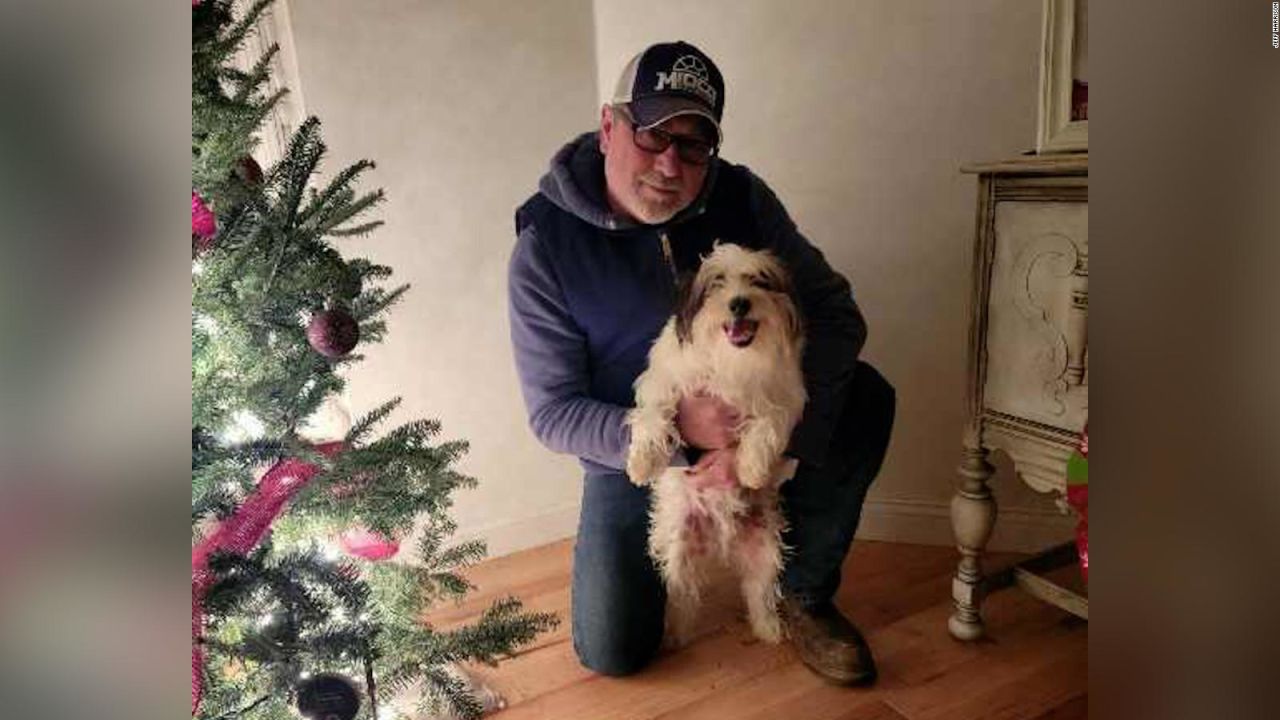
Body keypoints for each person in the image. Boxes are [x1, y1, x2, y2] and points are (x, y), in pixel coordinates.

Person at [507, 41, 895, 686]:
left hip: (765, 416)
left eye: (693, 145)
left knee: (867, 396)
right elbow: (552, 413)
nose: (670, 164)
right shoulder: (546, 246)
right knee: (613, 650)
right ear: (610, 126)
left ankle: (801, 593)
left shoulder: (742, 197)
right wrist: (686, 436)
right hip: (638, 447)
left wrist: (771, 437)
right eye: (655, 135)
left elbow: (836, 316)